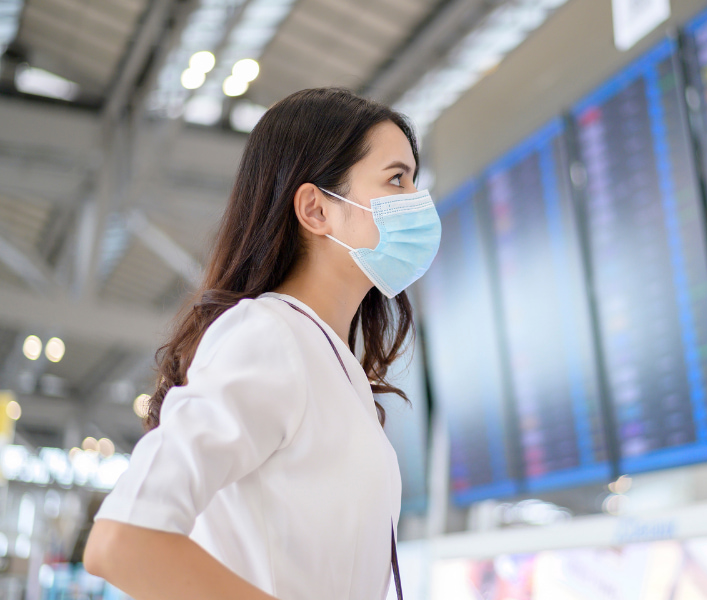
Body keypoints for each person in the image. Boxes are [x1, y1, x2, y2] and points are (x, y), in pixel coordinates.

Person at [83, 87, 441, 600]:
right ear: (316, 210)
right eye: (396, 179)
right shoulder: (269, 336)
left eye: (414, 180)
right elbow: (124, 540)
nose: (417, 202)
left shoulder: (329, 362)